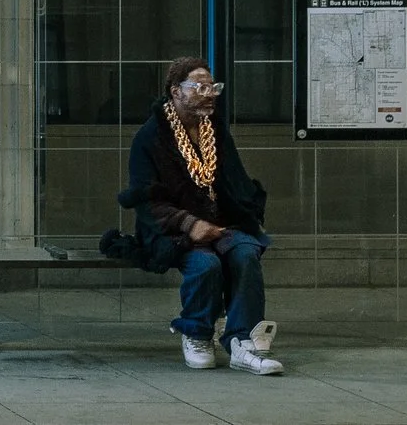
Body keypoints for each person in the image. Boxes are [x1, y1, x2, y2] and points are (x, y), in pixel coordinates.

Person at [112, 56, 285, 376]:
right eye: (199, 86)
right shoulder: (149, 138)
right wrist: (189, 223)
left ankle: (243, 342)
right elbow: (147, 201)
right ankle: (197, 333)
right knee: (205, 264)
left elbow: (236, 181)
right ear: (176, 91)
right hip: (171, 230)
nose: (208, 93)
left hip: (220, 224)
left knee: (246, 253)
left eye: (212, 87)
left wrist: (236, 217)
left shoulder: (215, 130)